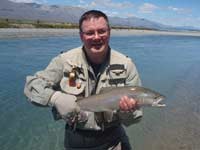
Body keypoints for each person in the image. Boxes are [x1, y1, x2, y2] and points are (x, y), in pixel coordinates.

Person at [24, 10, 143, 150]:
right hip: (76, 142)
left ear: (109, 32)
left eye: (102, 31)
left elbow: (135, 119)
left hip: (114, 143)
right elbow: (31, 86)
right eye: (90, 33)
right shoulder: (64, 61)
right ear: (81, 36)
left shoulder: (126, 65)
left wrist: (127, 112)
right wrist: (54, 98)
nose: (97, 37)